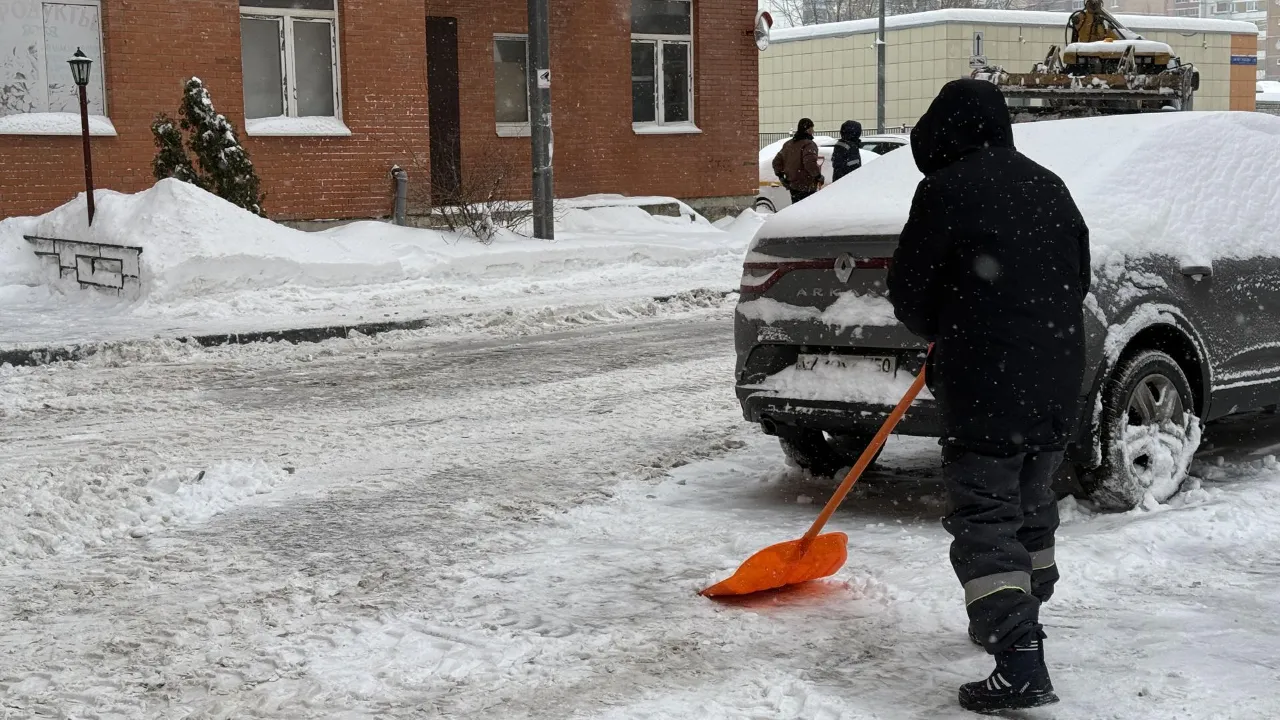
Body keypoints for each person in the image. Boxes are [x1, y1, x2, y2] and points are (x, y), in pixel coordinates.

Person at [886, 79, 1090, 713]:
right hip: (1057, 372)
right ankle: (1025, 608)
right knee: (1032, 497)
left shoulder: (944, 190)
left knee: (985, 514)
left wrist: (947, 327)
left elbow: (910, 290)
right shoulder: (1049, 184)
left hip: (985, 379)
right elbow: (1076, 276)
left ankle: (1020, 660)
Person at [772, 118, 824, 205]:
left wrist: (781, 176)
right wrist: (818, 176)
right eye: (812, 128)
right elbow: (809, 163)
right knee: (807, 212)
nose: (813, 131)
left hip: (793, 186)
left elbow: (776, 162)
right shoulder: (809, 144)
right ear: (808, 129)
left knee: (796, 211)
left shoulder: (788, 144)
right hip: (807, 185)